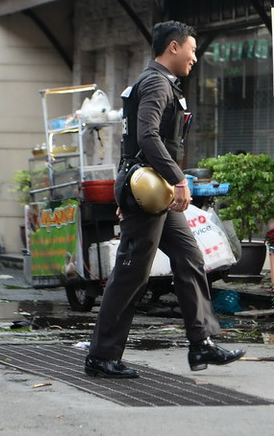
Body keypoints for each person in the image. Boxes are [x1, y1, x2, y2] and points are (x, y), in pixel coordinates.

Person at [85, 21, 244, 379]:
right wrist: (178, 180)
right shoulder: (157, 82)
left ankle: (201, 344)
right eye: (191, 48)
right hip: (149, 189)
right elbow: (147, 136)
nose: (194, 57)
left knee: (189, 256)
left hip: (150, 189)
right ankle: (100, 356)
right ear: (173, 47)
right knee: (132, 273)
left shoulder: (158, 82)